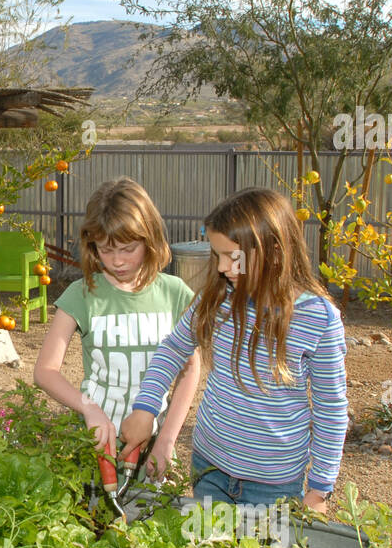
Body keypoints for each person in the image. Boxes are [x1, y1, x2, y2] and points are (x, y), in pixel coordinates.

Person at [120, 187, 347, 511]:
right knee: (212, 543)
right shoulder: (217, 299)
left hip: (274, 486)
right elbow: (173, 349)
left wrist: (319, 489)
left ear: (274, 251)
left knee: (264, 547)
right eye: (218, 255)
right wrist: (146, 408)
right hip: (209, 469)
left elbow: (330, 409)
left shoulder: (318, 318)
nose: (223, 267)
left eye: (232, 257)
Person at [34, 177, 200, 478]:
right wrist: (89, 408)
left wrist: (166, 439)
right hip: (96, 445)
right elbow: (45, 371)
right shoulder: (81, 295)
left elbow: (190, 369)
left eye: (128, 249)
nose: (117, 261)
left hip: (153, 449)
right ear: (92, 245)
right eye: (106, 250)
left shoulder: (175, 294)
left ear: (149, 239)